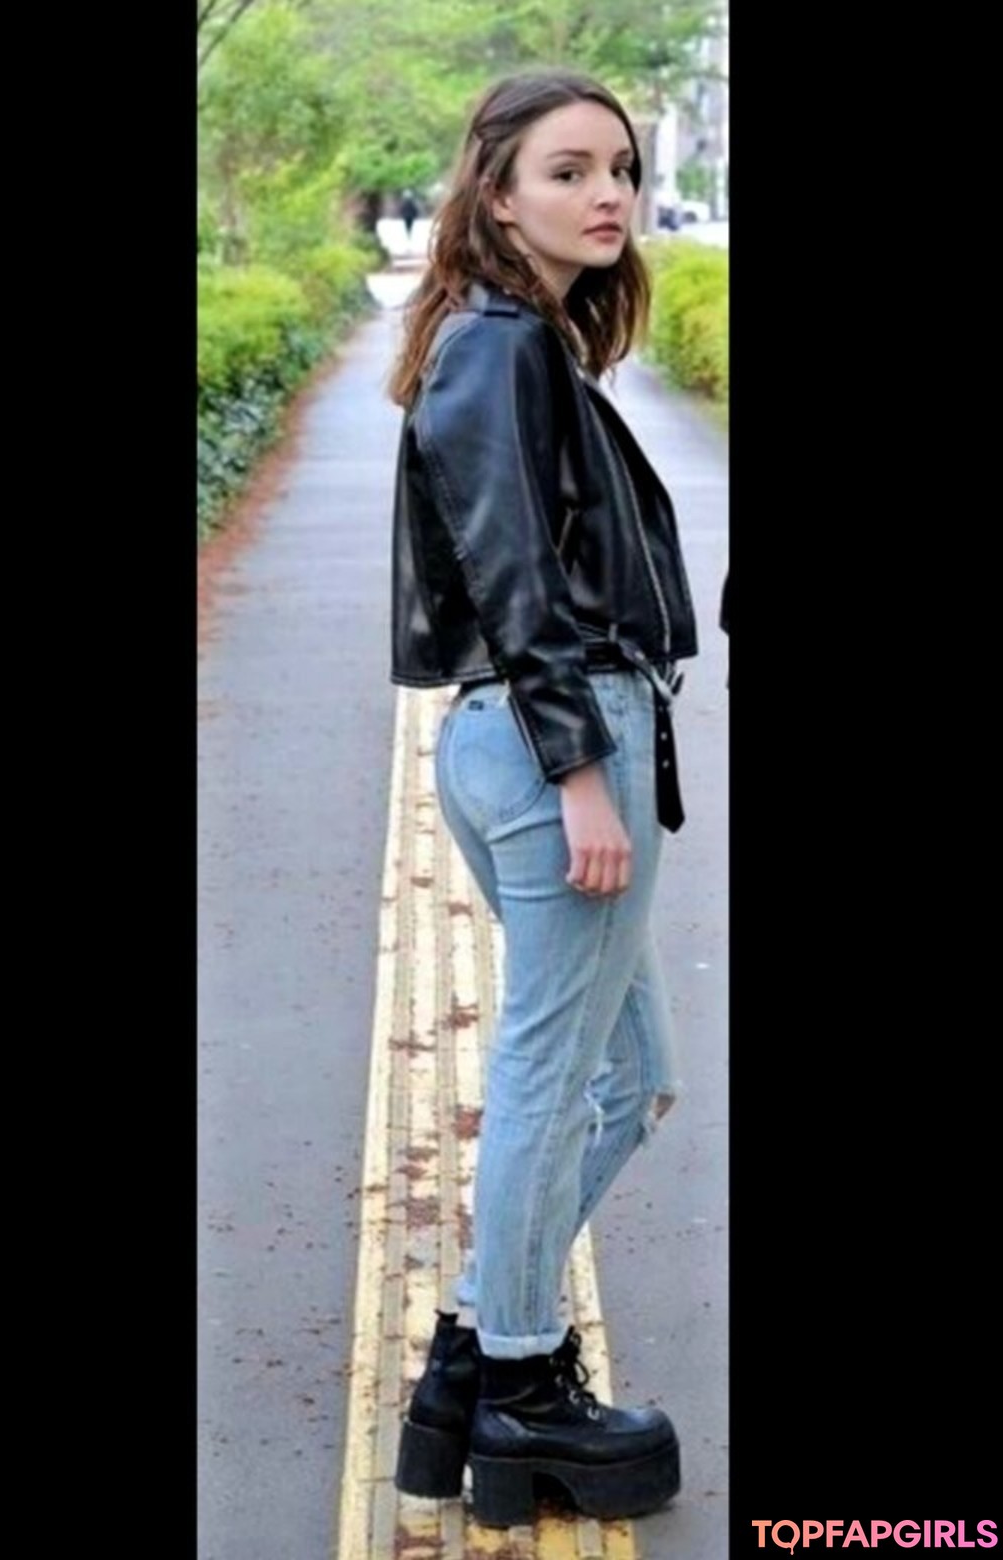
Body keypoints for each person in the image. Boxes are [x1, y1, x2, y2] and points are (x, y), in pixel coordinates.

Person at [386, 68, 698, 1529]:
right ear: (498, 196)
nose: (608, 194)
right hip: (554, 736)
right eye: (568, 171)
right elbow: (513, 570)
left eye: (619, 168)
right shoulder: (501, 346)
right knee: (552, 1074)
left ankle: (473, 1354)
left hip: (543, 729)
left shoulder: (520, 343)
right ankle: (516, 1378)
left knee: (628, 1079)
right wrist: (582, 771)